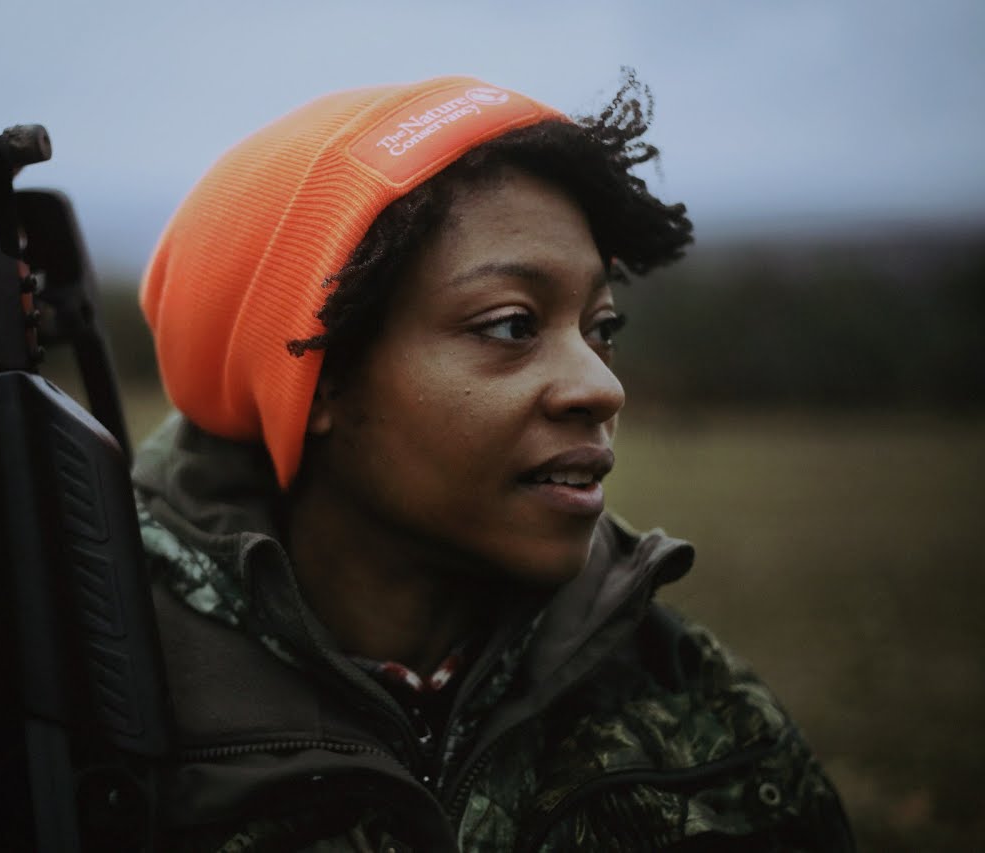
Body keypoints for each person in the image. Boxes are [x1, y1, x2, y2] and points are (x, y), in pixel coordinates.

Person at [134, 72, 853, 851]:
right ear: (319, 381)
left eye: (601, 326)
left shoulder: (685, 696)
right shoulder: (98, 711)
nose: (601, 385)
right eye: (511, 326)